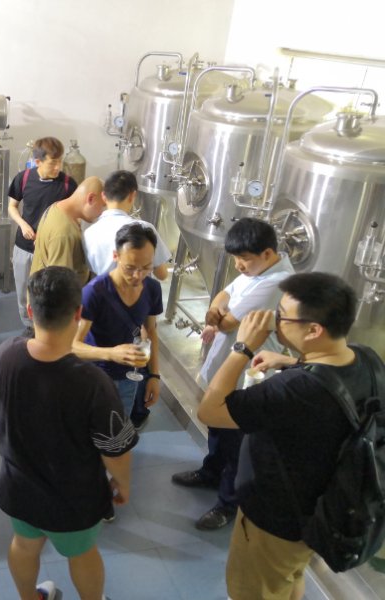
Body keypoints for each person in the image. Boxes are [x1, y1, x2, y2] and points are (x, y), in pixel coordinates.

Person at [198, 272, 375, 600]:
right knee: (288, 576)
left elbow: (209, 411)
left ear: (313, 330)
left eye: (281, 315)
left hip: (273, 522)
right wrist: (291, 361)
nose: (273, 321)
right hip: (315, 511)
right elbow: (332, 384)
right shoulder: (365, 358)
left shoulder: (292, 390)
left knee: (256, 590)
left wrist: (242, 348)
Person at [0, 266, 137, 600]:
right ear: (78, 313)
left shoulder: (5, 354)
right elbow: (114, 450)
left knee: (24, 545)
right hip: (72, 496)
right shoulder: (93, 383)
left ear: (31, 310)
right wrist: (123, 483)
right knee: (82, 553)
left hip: (19, 485)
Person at [171, 218, 294, 531]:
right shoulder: (257, 269)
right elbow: (223, 295)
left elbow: (227, 322)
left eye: (244, 259)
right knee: (218, 430)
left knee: (238, 444)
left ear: (268, 254)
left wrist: (217, 317)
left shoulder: (277, 281)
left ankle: (227, 504)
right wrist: (216, 310)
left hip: (246, 377)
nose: (239, 266)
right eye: (236, 259)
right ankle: (210, 473)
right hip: (226, 366)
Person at [72, 223, 162, 429]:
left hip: (129, 378)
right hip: (94, 377)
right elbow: (72, 347)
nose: (138, 276)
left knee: (118, 429)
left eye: (146, 268)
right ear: (116, 256)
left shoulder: (152, 289)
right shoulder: (94, 292)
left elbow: (150, 331)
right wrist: (111, 354)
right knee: (89, 431)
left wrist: (154, 375)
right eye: (130, 268)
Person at [7, 137, 76, 337]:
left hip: (51, 250)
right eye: (53, 163)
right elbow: (12, 207)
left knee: (49, 291)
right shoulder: (23, 179)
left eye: (60, 162)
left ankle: (48, 328)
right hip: (24, 246)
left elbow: (74, 216)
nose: (58, 167)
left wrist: (51, 236)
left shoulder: (67, 184)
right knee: (23, 291)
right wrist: (23, 224)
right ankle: (29, 327)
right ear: (38, 161)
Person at [83, 170, 170, 280]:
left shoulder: (88, 233)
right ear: (132, 196)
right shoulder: (144, 229)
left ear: (103, 196)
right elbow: (162, 275)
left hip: (101, 290)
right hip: (136, 289)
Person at [29, 177, 105, 287]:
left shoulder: (57, 208)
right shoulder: (63, 232)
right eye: (102, 206)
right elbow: (59, 286)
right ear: (91, 198)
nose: (101, 212)